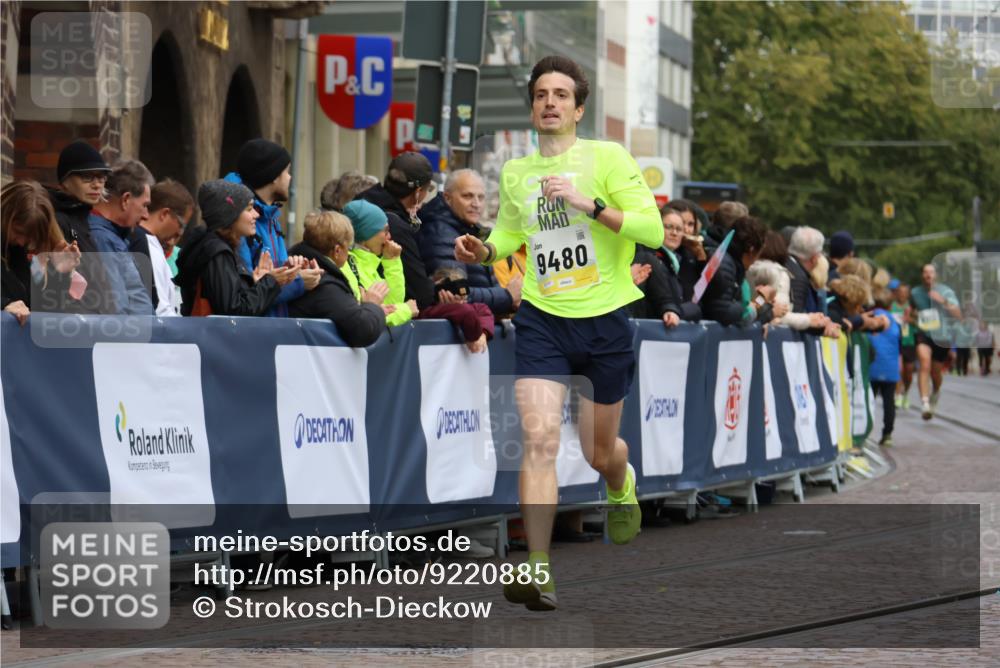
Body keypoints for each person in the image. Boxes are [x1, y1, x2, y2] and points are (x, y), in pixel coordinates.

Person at [454, 55, 663, 611]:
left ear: (579, 107)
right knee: (541, 442)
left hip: (605, 321)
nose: (550, 102)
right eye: (542, 93)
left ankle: (621, 485)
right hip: (543, 319)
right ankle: (539, 569)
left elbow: (655, 230)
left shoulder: (607, 158)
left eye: (561, 94)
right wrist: (487, 248)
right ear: (532, 105)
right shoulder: (518, 173)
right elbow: (508, 231)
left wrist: (586, 204)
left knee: (599, 453)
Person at [224, 138, 319, 316]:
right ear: (274, 176)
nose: (290, 177)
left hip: (274, 329)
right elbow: (247, 293)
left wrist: (292, 268)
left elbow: (270, 277)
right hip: (256, 334)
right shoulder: (239, 223)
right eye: (287, 171)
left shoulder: (271, 217)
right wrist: (299, 282)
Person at [175, 180, 298, 316]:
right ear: (229, 215)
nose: (256, 215)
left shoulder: (216, 247)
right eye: (249, 208)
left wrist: (257, 283)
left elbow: (232, 302)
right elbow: (233, 312)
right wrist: (271, 282)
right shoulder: (217, 252)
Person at [419, 169, 520, 316]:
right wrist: (507, 296)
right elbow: (456, 291)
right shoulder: (441, 232)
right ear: (447, 198)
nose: (476, 204)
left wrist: (510, 301)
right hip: (462, 334)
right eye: (467, 196)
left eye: (481, 197)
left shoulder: (472, 230)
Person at [287, 210, 388, 347]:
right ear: (337, 250)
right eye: (349, 247)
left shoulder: (299, 267)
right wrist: (373, 305)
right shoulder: (323, 284)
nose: (350, 252)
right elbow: (363, 330)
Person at [358, 152, 437, 309]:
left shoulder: (358, 206)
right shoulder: (393, 226)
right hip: (381, 312)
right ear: (417, 192)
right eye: (428, 189)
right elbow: (420, 293)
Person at [47, 140, 115, 313]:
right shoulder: (57, 221)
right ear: (65, 180)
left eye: (101, 177)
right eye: (87, 177)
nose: (97, 184)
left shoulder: (84, 218)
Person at [1, 180, 83, 323]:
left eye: (29, 238)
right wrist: (4, 305)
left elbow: (46, 313)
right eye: (18, 231)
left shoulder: (23, 254)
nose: (21, 242)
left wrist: (59, 273)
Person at [88, 159, 155, 315]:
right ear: (125, 200)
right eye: (144, 205)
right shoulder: (102, 239)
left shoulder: (110, 236)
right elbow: (116, 310)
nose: (146, 215)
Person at [341, 200, 417, 328]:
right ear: (366, 234)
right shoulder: (346, 267)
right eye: (385, 231)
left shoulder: (367, 263)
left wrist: (391, 262)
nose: (389, 236)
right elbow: (365, 319)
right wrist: (405, 311)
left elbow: (392, 303)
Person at [130, 179, 194, 316]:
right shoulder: (144, 242)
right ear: (165, 214)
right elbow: (159, 308)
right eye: (181, 225)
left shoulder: (148, 242)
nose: (180, 232)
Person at [700, 216, 775, 326]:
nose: (757, 259)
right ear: (752, 249)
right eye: (760, 252)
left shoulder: (735, 266)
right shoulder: (726, 265)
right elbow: (726, 313)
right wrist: (760, 300)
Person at [909, 263, 960, 419]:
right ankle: (924, 403)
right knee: (924, 363)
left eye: (931, 272)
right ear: (922, 275)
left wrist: (943, 301)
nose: (928, 275)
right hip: (924, 333)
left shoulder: (946, 291)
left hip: (941, 336)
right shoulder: (915, 292)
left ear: (936, 275)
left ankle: (935, 392)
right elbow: (911, 312)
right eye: (925, 272)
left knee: (935, 372)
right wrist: (912, 319)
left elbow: (958, 315)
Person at [869, 289, 900, 446]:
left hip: (871, 367)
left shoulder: (871, 317)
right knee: (889, 402)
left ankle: (865, 432)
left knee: (869, 401)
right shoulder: (894, 322)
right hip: (890, 368)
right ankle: (887, 433)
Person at [890, 281, 916, 408]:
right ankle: (898, 395)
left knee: (909, 372)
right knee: (899, 370)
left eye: (905, 293)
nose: (902, 295)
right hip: (895, 342)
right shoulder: (891, 307)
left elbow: (921, 324)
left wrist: (910, 320)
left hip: (909, 342)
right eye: (900, 292)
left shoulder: (911, 308)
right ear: (897, 293)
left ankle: (906, 393)